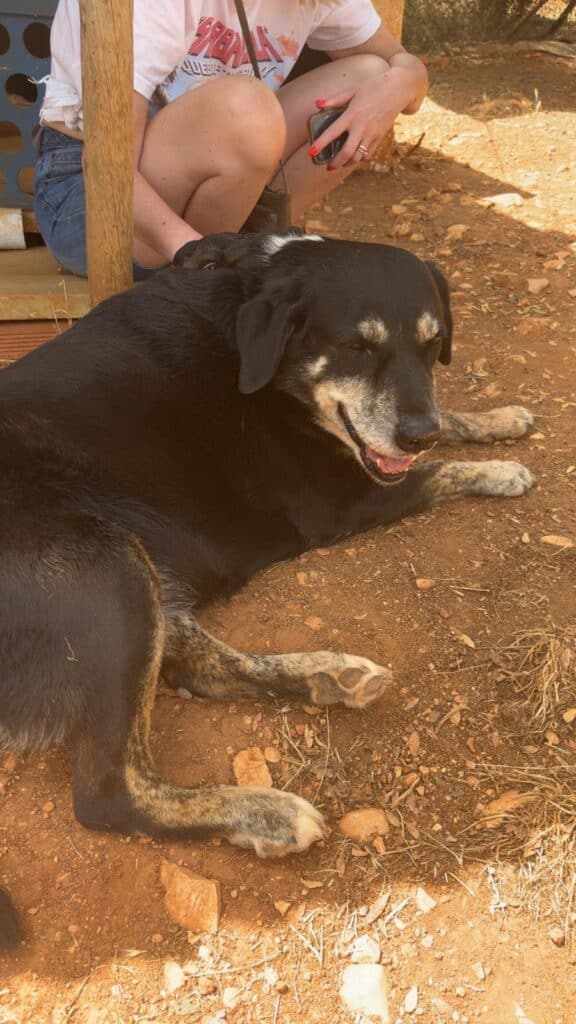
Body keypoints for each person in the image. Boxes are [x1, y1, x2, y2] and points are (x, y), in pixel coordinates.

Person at [34, 1, 428, 278]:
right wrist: (200, 257)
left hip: (207, 190)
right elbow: (105, 167)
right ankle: (207, 273)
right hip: (93, 202)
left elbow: (404, 66)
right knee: (247, 110)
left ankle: (247, 250)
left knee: (370, 75)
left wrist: (401, 83)